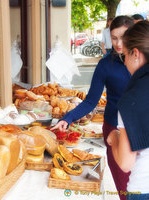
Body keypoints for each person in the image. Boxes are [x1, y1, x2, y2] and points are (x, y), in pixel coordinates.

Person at [51, 16, 134, 200]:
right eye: (114, 38)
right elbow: (90, 101)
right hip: (115, 130)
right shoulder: (105, 65)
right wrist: (67, 118)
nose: (118, 43)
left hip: (141, 130)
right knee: (124, 189)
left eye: (124, 37)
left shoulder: (143, 60)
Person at [107, 20, 149, 200]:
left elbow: (125, 163)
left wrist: (114, 138)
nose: (124, 62)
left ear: (136, 54)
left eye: (125, 55)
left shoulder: (131, 99)